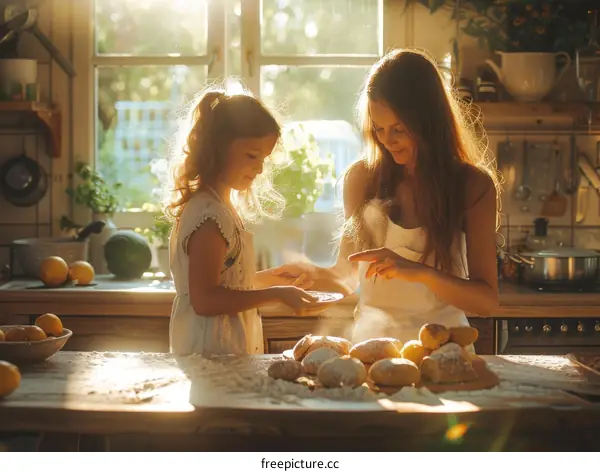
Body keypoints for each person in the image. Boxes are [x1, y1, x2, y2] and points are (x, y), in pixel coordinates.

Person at [274, 48, 501, 345]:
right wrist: (310, 274)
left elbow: (485, 301)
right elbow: (347, 275)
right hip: (372, 347)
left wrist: (418, 272)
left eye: (398, 129)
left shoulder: (472, 185)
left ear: (428, 123)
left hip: (444, 349)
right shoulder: (362, 179)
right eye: (378, 129)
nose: (387, 141)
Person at [165, 85, 322, 357]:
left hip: (221, 347)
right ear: (217, 148)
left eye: (264, 158)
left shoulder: (221, 207)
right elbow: (205, 299)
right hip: (209, 352)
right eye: (252, 155)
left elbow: (226, 283)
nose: (260, 168)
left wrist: (268, 279)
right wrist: (276, 294)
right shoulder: (208, 215)